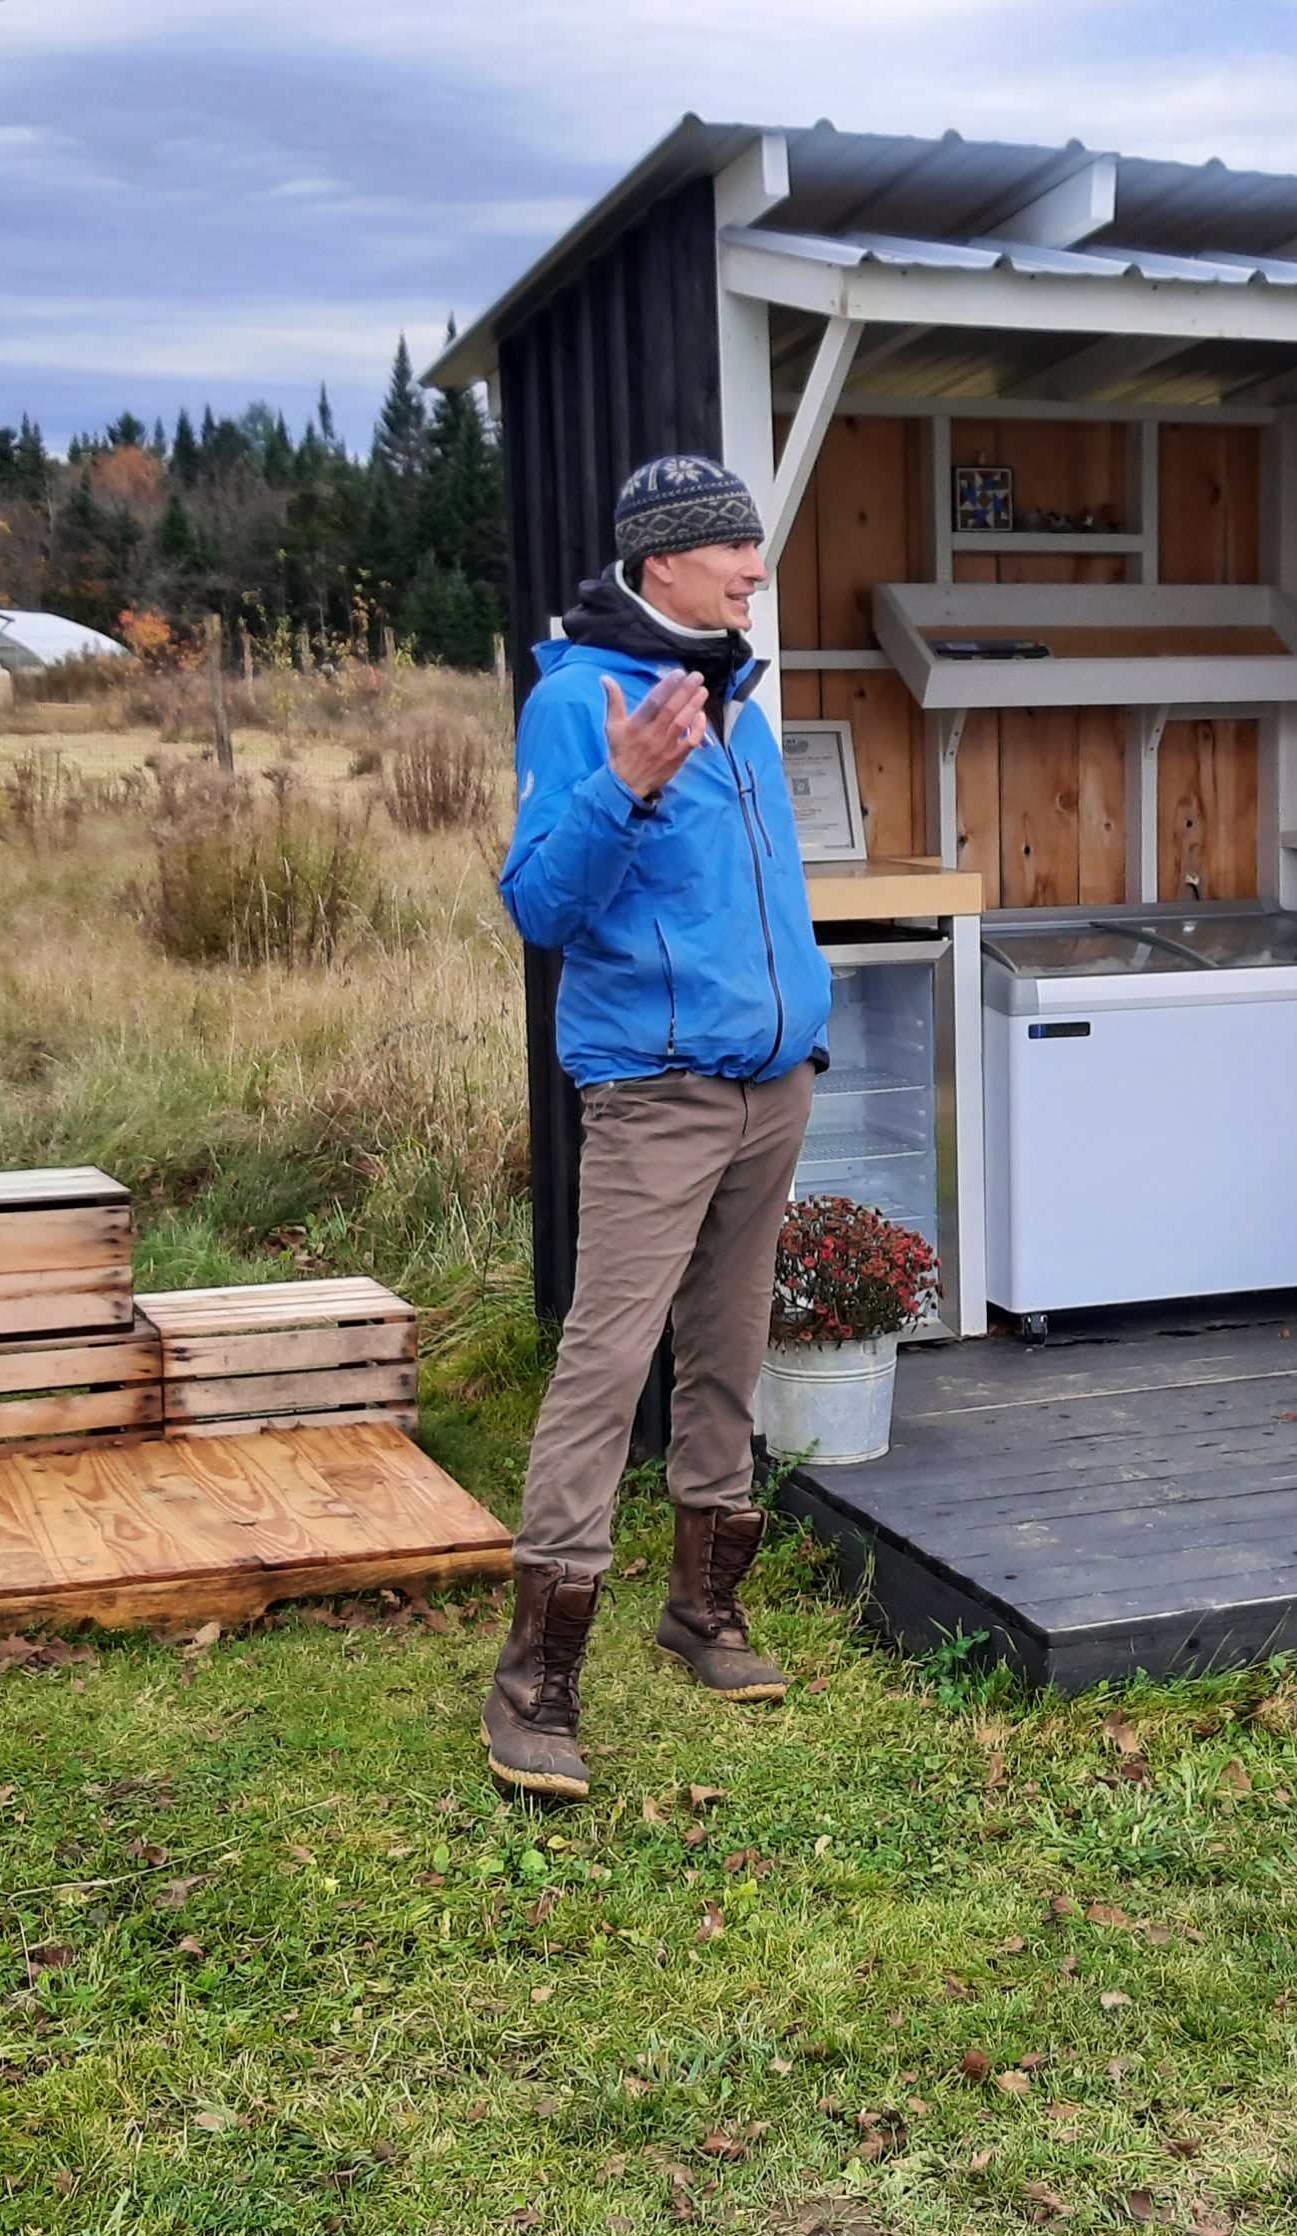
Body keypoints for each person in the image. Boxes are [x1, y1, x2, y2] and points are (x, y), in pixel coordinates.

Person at [486, 454, 832, 1801]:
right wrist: (620, 784)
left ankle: (703, 1606)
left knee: (728, 1344)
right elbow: (540, 907)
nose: (756, 561)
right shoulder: (582, 700)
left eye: (754, 539)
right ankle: (535, 1675)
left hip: (770, 1083)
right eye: (733, 543)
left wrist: (800, 1028)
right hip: (658, 1091)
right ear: (663, 560)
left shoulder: (737, 697)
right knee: (605, 1359)